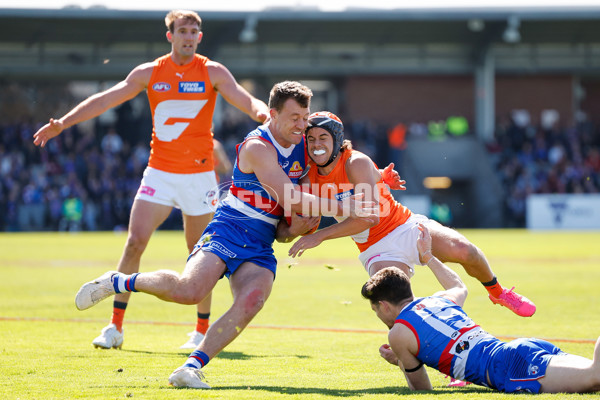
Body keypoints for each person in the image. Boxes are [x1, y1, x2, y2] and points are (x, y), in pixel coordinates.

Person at [73, 81, 377, 389]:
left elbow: (334, 162)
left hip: (261, 239)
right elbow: (290, 198)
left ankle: (191, 368)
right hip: (229, 227)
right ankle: (118, 281)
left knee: (253, 299)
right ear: (272, 114)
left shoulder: (304, 144)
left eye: (306, 116)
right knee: (190, 290)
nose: (303, 125)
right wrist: (343, 202)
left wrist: (375, 178)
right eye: (295, 117)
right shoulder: (258, 147)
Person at [33, 10, 270, 350]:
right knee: (134, 242)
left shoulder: (212, 71)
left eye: (194, 31)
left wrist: (263, 113)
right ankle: (114, 328)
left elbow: (246, 100)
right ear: (170, 35)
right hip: (159, 172)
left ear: (199, 37)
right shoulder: (150, 72)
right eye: (182, 31)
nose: (188, 36)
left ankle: (200, 333)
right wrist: (62, 123)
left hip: (200, 176)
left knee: (200, 252)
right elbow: (105, 99)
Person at [288, 111, 536, 317]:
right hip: (375, 249)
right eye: (311, 140)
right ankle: (411, 346)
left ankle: (498, 292)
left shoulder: (356, 162)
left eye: (323, 137)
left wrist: (319, 236)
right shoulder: (309, 177)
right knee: (398, 306)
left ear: (338, 140)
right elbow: (305, 213)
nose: (317, 144)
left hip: (404, 225)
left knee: (465, 250)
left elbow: (369, 217)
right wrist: (299, 228)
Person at [362, 223, 600, 394]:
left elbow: (422, 390)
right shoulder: (439, 300)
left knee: (594, 376)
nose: (378, 316)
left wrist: (402, 359)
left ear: (383, 305)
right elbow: (458, 285)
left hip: (507, 367)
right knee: (596, 380)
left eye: (375, 310)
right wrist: (429, 258)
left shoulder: (398, 334)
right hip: (518, 352)